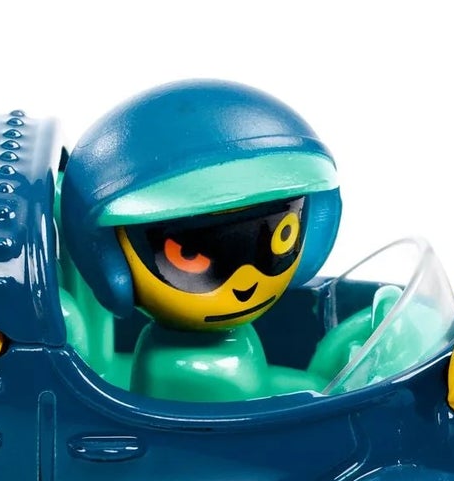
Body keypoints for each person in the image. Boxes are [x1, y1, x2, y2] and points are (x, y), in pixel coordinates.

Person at [61, 79, 349, 402]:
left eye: (282, 235)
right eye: (188, 254)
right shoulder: (186, 369)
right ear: (111, 265)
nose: (245, 283)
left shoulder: (238, 347)